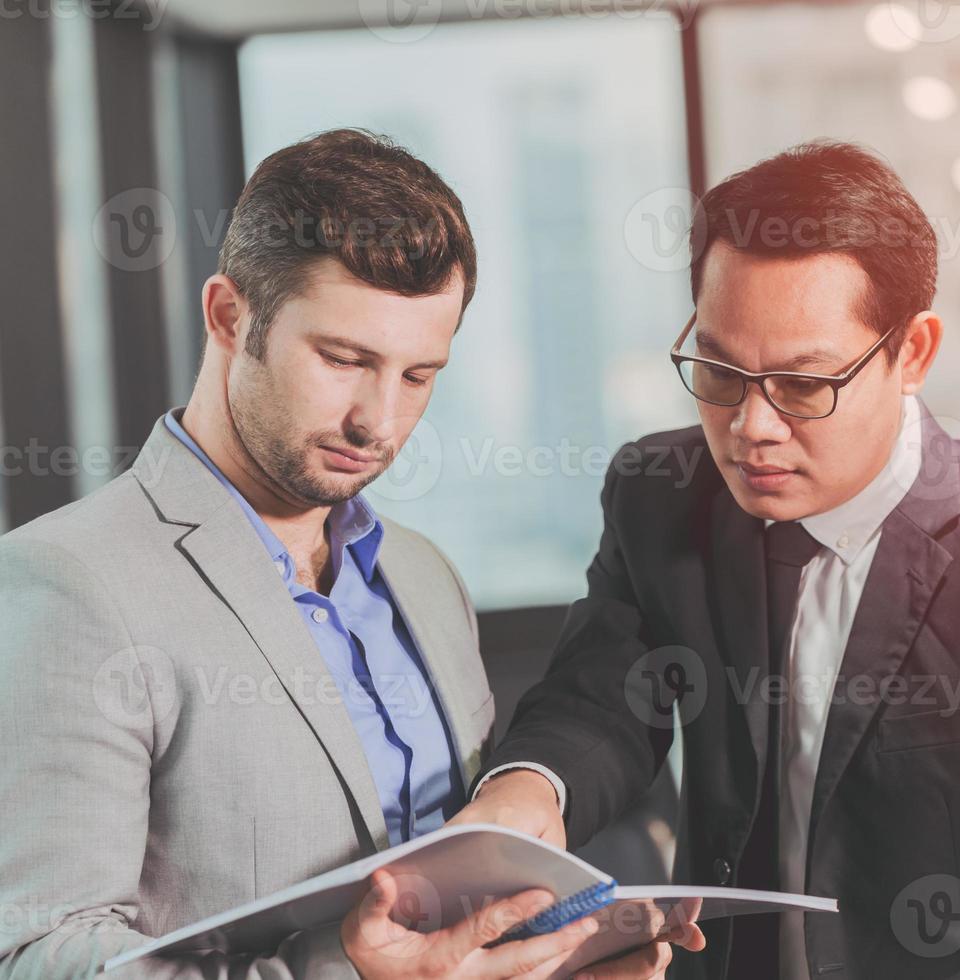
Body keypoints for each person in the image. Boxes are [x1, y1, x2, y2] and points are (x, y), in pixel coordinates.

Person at [458, 141, 960, 979]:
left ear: (912, 354)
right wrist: (526, 791)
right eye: (720, 371)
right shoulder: (660, 497)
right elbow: (601, 703)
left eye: (803, 386)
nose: (752, 428)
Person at [0, 128, 693, 979]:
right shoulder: (65, 585)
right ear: (229, 316)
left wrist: (557, 958)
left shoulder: (425, 577)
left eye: (417, 375)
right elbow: (37, 956)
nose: (380, 421)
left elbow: (455, 923)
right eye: (343, 359)